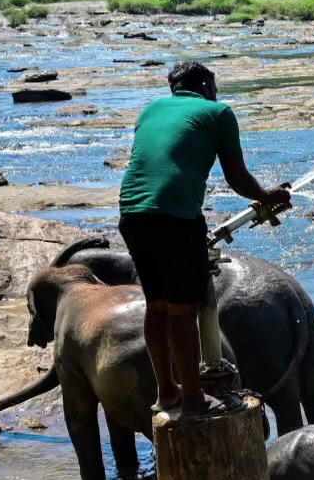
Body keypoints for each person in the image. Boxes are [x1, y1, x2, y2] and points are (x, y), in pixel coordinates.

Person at [118, 61, 289, 417]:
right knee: (183, 311)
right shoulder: (218, 112)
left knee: (158, 306)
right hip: (177, 219)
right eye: (214, 86)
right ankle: (195, 398)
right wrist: (266, 195)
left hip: (132, 214)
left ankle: (167, 391)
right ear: (206, 86)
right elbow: (237, 176)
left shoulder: (150, 110)